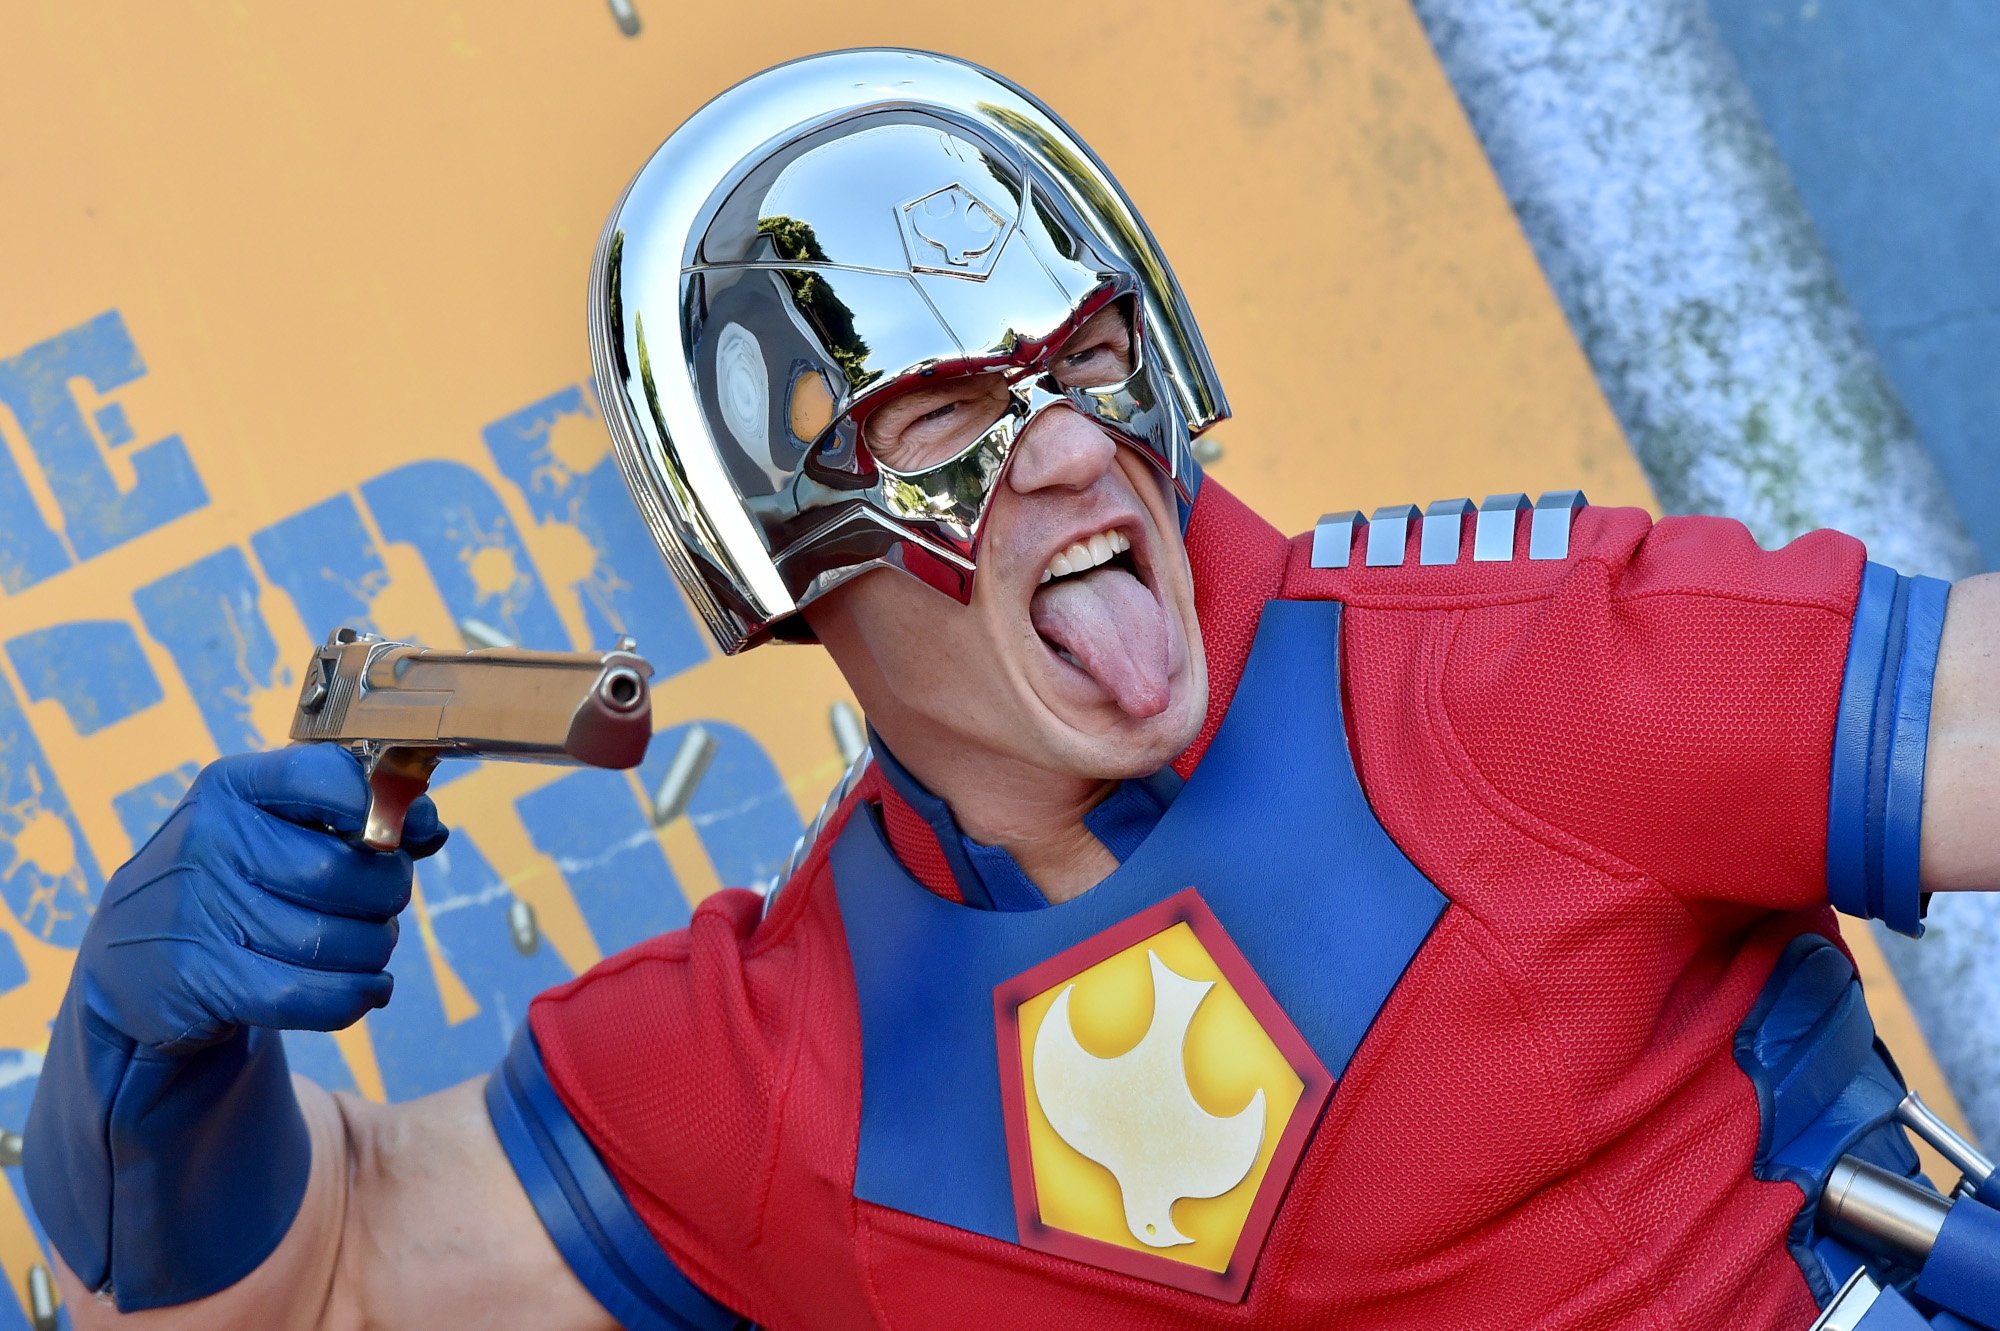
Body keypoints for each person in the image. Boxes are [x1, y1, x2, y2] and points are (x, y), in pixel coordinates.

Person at [24, 47, 2000, 1331]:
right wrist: (146, 1064)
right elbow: (322, 1291)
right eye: (953, 417)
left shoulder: (1512, 676)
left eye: (1082, 369)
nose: (1063, 453)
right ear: (781, 560)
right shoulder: (782, 1068)